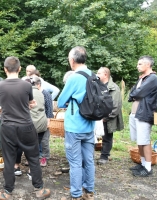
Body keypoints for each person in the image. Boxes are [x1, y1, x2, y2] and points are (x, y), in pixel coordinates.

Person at [0, 56, 51, 200]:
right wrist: (29, 105)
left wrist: (3, 108)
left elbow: (7, 103)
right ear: (20, 69)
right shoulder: (26, 85)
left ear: (5, 69)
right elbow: (29, 102)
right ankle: (39, 189)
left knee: (9, 159)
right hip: (26, 126)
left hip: (7, 127)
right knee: (33, 157)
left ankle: (7, 192)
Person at [57, 46, 95, 200]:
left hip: (74, 126)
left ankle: (76, 194)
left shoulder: (74, 77)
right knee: (89, 160)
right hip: (89, 125)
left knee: (75, 162)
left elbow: (60, 101)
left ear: (72, 60)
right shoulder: (93, 75)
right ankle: (89, 191)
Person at [128, 56, 157, 177]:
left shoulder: (153, 78)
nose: (138, 66)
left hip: (144, 113)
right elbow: (132, 93)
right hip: (135, 113)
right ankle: (142, 164)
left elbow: (138, 92)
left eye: (140, 64)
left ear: (148, 65)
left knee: (145, 141)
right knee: (139, 141)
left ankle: (148, 167)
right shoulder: (142, 78)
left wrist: (135, 94)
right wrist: (134, 94)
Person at [96, 67, 124, 165]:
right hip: (97, 117)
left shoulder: (114, 88)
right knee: (94, 136)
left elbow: (116, 106)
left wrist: (105, 118)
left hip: (107, 118)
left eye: (99, 73)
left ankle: (104, 156)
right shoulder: (97, 86)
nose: (97, 75)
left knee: (107, 137)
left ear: (105, 75)